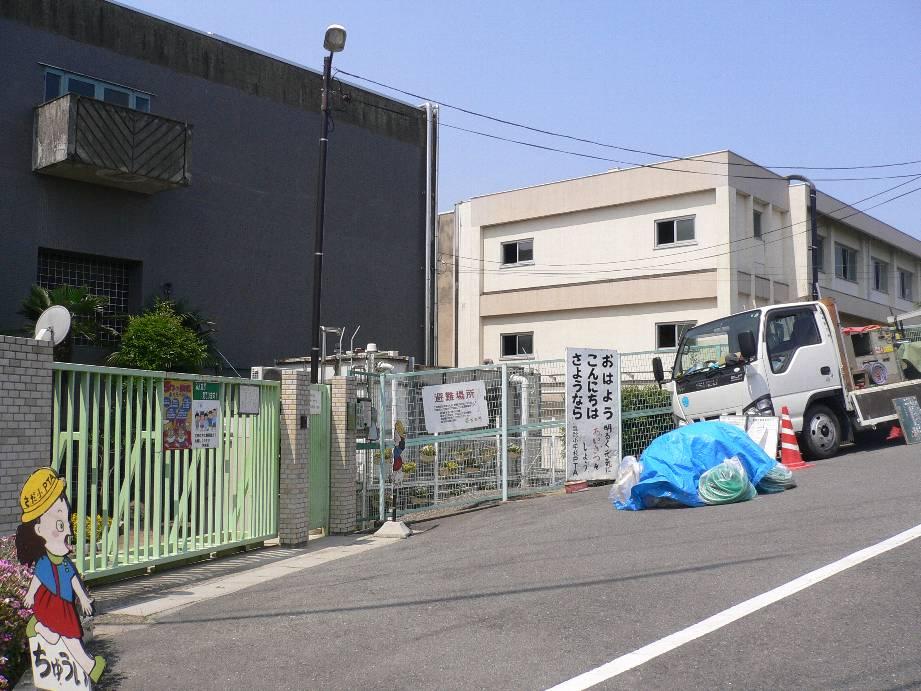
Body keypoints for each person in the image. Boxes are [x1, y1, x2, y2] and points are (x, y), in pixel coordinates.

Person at [16, 467, 106, 684]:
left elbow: (73, 580)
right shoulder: (45, 561)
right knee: (70, 636)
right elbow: (38, 578)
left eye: (67, 523)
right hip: (51, 604)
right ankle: (89, 666)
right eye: (60, 524)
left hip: (63, 605)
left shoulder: (63, 562)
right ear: (38, 530)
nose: (68, 531)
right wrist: (30, 594)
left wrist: (83, 597)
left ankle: (39, 627)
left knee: (63, 634)